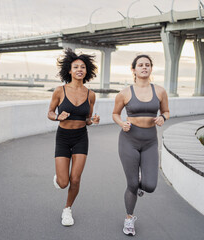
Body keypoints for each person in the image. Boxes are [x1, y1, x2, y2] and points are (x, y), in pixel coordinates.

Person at [112, 54, 169, 236]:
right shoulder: (125, 93)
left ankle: (139, 181)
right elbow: (115, 114)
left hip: (150, 141)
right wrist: (122, 123)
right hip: (129, 140)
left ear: (151, 69)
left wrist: (162, 117)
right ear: (133, 69)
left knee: (150, 186)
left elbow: (166, 111)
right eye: (140, 65)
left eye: (147, 65)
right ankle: (129, 219)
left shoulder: (159, 91)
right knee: (132, 185)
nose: (144, 67)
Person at [47, 48, 100, 226]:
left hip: (80, 137)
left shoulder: (91, 94)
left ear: (87, 71)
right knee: (63, 183)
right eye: (75, 66)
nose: (79, 69)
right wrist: (57, 117)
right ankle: (59, 177)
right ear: (69, 70)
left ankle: (67, 209)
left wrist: (93, 120)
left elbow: (87, 120)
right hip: (63, 137)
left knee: (75, 179)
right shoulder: (60, 91)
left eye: (82, 67)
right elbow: (50, 112)